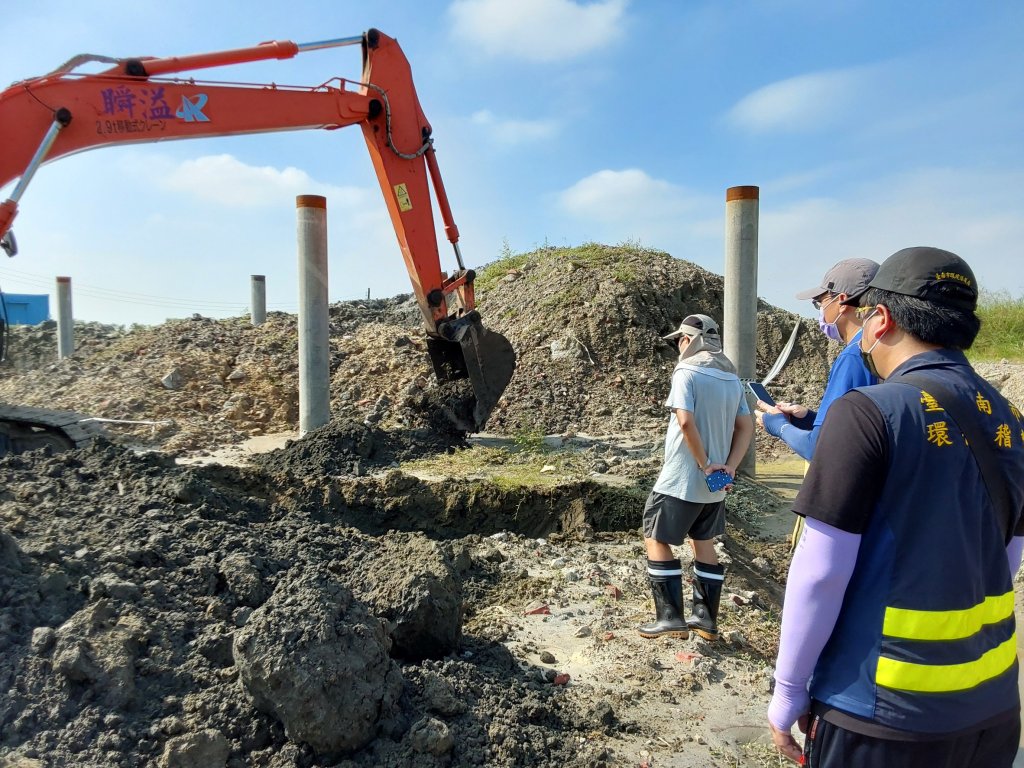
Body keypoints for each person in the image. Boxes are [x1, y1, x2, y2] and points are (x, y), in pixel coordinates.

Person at [766, 247, 1024, 767]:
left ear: (880, 319)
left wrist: (789, 689)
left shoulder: (867, 411)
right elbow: (1009, 553)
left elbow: (819, 572)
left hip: (881, 712)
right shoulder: (1010, 418)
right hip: (993, 706)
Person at [639, 314, 754, 642]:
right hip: (715, 483)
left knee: (655, 536)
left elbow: (686, 422)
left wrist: (704, 464)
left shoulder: (686, 372)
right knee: (702, 541)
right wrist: (728, 466)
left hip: (682, 477)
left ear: (689, 340)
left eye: (680, 340)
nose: (678, 346)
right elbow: (744, 427)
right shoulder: (732, 379)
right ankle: (705, 620)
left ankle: (669, 617)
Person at [754, 257, 879, 550]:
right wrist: (809, 417)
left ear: (842, 301)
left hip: (842, 504)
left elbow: (819, 448)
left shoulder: (853, 356)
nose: (821, 311)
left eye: (821, 301)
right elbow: (859, 428)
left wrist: (779, 427)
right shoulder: (881, 350)